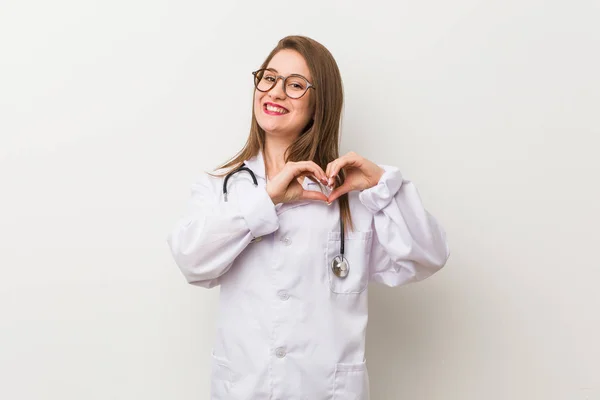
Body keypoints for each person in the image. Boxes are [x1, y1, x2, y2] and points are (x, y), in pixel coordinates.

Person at [167, 35, 450, 400]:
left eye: (296, 85)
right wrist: (266, 200)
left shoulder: (352, 199)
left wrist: (383, 186)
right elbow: (192, 261)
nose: (276, 92)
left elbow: (428, 257)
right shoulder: (223, 188)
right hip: (244, 388)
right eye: (268, 78)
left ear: (319, 105)